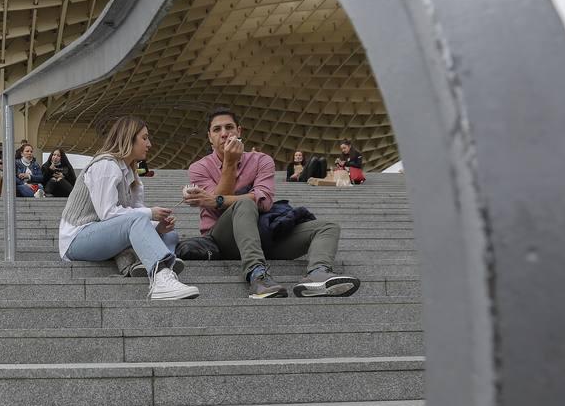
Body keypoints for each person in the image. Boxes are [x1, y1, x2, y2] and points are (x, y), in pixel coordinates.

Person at [185, 108, 361, 298]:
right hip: (223, 239)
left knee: (328, 227)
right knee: (245, 204)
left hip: (262, 234)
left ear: (240, 131)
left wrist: (218, 200)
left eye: (229, 127)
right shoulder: (199, 168)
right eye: (217, 130)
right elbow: (220, 210)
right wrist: (229, 163)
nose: (224, 133)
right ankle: (257, 274)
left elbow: (264, 201)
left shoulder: (262, 160)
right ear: (209, 137)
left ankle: (318, 273)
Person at [59, 116, 198, 300]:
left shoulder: (131, 174)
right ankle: (160, 276)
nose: (149, 144)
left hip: (106, 234)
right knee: (140, 219)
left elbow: (134, 212)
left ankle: (155, 264)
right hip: (77, 239)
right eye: (144, 138)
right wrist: (149, 214)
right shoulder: (105, 165)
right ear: (128, 138)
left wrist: (158, 225)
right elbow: (108, 213)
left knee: (170, 234)